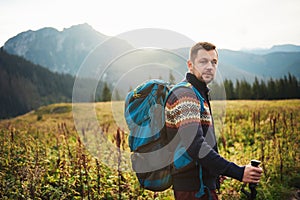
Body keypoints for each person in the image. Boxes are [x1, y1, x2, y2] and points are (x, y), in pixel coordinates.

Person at [165, 42, 263, 200]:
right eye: (203, 61)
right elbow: (195, 145)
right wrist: (238, 172)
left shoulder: (198, 93)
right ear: (190, 65)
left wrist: (215, 171)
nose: (210, 66)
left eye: (214, 62)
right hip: (193, 188)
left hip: (201, 184)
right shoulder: (185, 94)